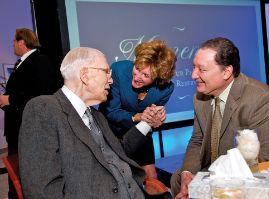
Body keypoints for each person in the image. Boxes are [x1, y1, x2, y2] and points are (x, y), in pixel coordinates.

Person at [18, 47, 166, 199]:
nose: (111, 79)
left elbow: (119, 151)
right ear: (85, 75)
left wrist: (146, 122)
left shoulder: (96, 115)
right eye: (106, 72)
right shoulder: (43, 108)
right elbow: (42, 191)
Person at [171, 37, 269, 199]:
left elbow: (267, 156)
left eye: (202, 69)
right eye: (193, 67)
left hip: (245, 174)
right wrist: (188, 173)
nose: (193, 75)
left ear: (226, 72)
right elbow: (198, 140)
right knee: (178, 178)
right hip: (211, 169)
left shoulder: (261, 99)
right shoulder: (200, 97)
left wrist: (211, 184)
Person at [101, 40, 177, 179]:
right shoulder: (119, 70)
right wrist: (138, 117)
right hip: (111, 132)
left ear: (159, 76)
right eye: (137, 68)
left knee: (151, 178)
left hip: (140, 133)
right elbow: (111, 112)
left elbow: (150, 121)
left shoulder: (166, 88)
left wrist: (155, 120)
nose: (137, 77)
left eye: (145, 75)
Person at [0, 28, 57, 199]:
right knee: (17, 172)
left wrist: (10, 100)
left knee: (26, 172)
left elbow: (40, 93)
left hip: (27, 129)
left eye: (14, 41)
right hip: (17, 128)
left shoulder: (40, 61)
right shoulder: (23, 62)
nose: (12, 45)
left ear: (22, 42)